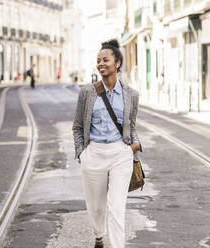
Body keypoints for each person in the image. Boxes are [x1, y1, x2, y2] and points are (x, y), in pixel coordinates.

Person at [72, 39, 141, 248]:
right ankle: (99, 236)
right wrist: (81, 153)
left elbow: (131, 125)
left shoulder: (131, 95)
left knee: (116, 207)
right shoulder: (87, 92)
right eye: (98, 60)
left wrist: (134, 145)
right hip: (94, 154)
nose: (101, 64)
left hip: (120, 154)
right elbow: (77, 126)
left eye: (105, 60)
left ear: (117, 63)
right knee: (97, 206)